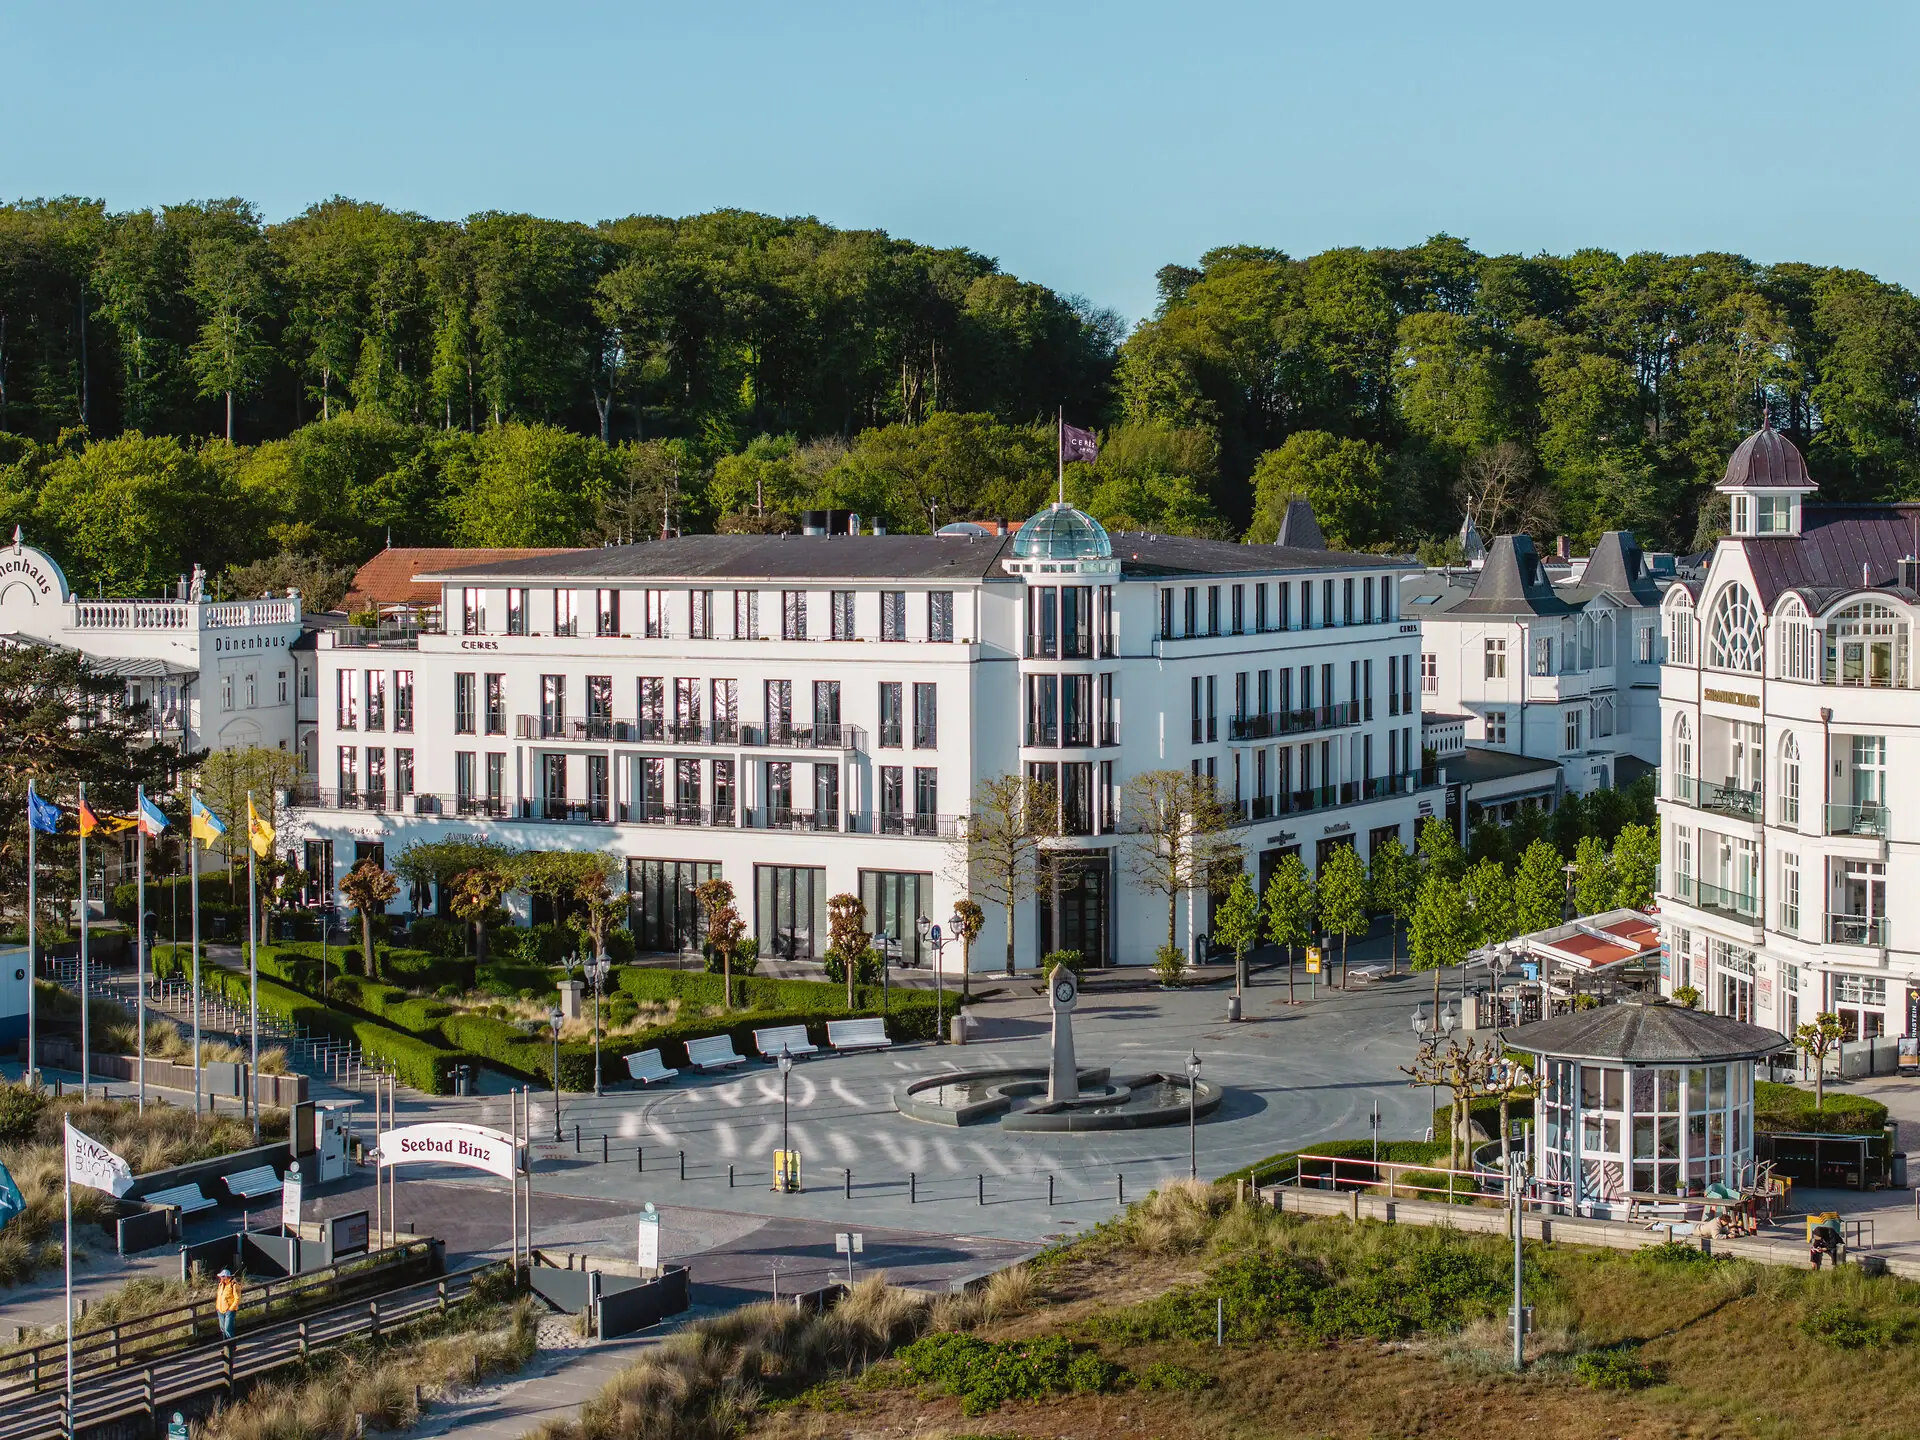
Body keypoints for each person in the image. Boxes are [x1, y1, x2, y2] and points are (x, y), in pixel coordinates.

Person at [215, 1269, 242, 1339]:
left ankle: (231, 1346)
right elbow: (219, 1296)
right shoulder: (221, 1284)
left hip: (229, 1310)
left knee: (228, 1329)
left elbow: (237, 1298)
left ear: (226, 1277)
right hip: (220, 1309)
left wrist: (231, 1308)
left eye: (222, 1276)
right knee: (223, 1329)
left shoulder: (234, 1284)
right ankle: (225, 1346)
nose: (220, 1278)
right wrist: (217, 1307)